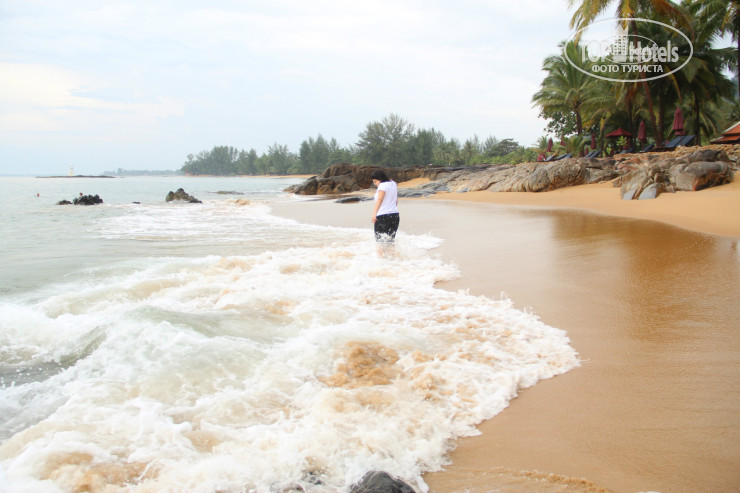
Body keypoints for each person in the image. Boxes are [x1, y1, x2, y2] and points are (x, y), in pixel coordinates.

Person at [370, 169, 399, 255]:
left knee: (380, 243)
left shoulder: (382, 186)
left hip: (383, 217)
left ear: (380, 179)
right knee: (390, 242)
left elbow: (380, 199)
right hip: (395, 216)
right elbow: (396, 200)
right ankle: (393, 260)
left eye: (375, 181)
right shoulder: (393, 183)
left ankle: (381, 261)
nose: (375, 184)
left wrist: (374, 214)